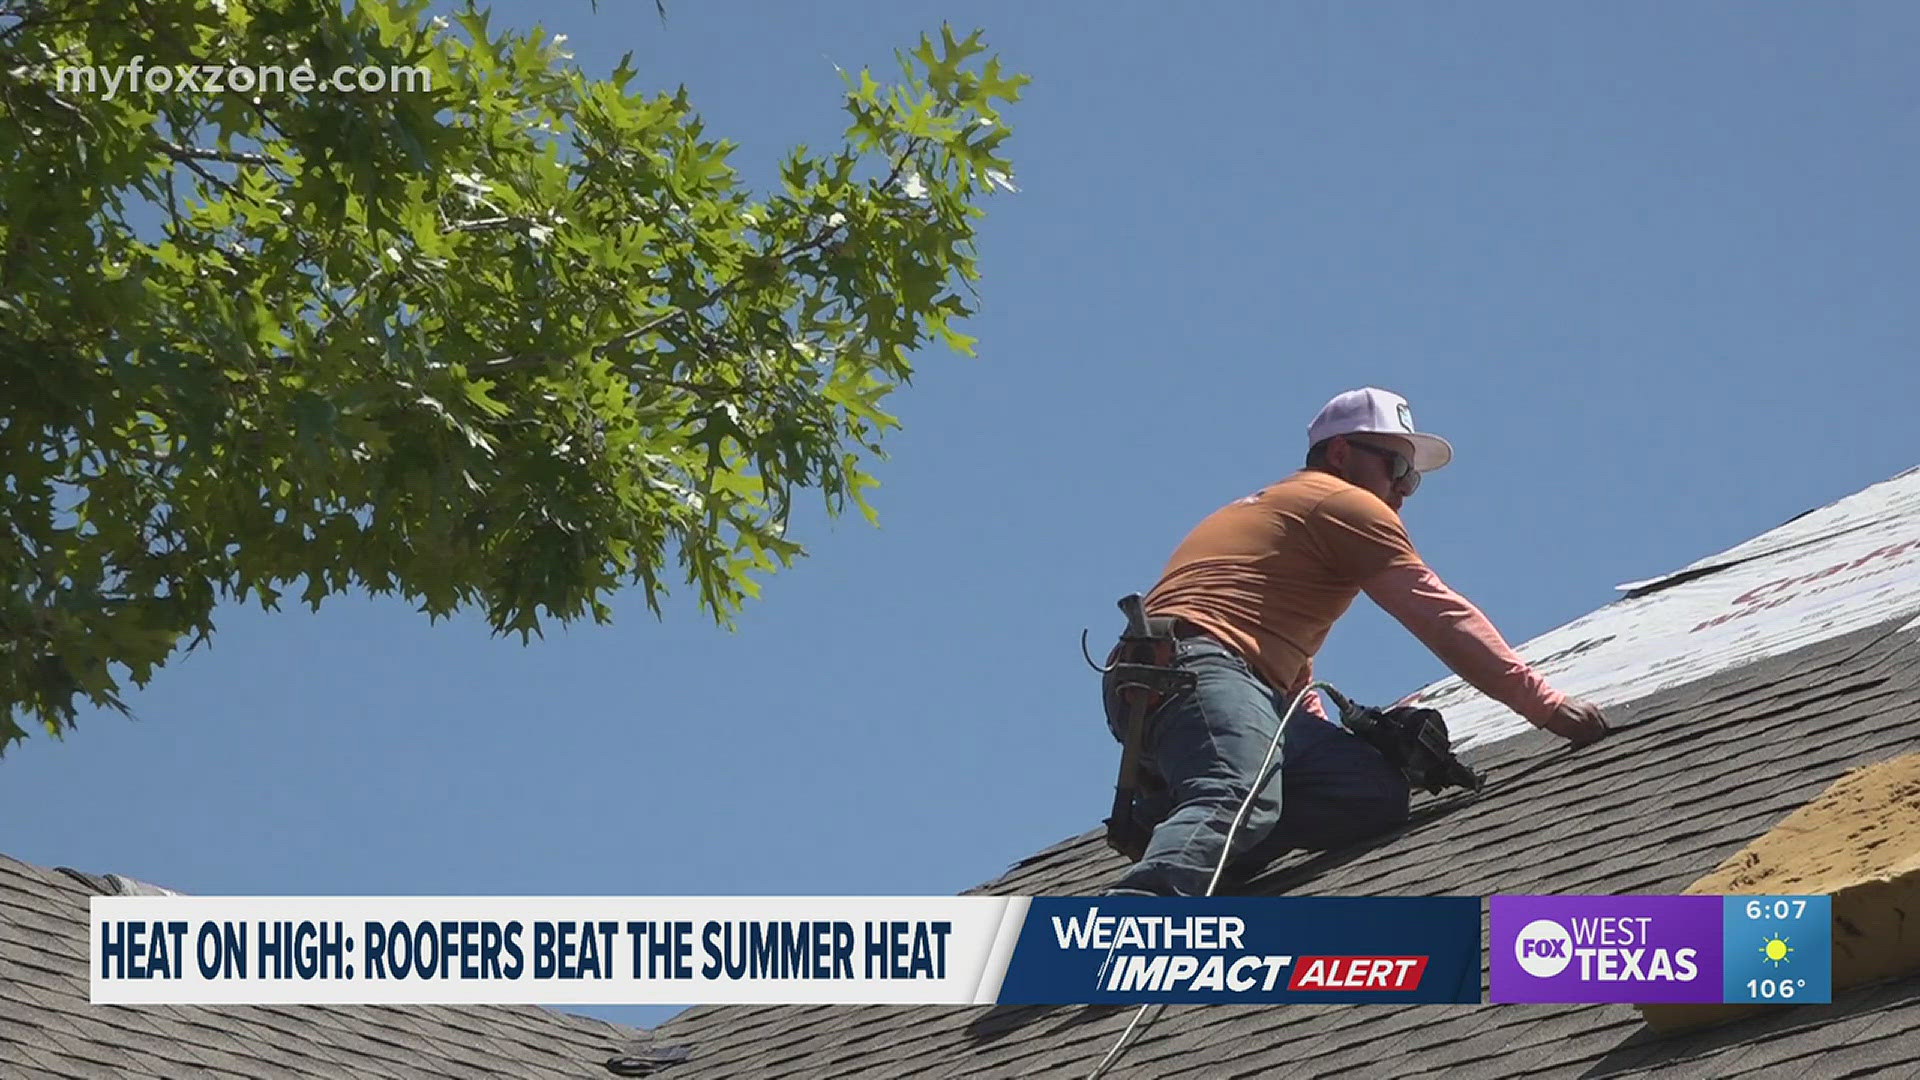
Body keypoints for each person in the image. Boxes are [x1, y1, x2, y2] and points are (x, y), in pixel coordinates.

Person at [1102, 387, 1608, 897]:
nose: (1405, 489)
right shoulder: (1342, 503)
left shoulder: (1279, 514)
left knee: (1367, 791)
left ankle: (1182, 836)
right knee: (1238, 794)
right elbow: (1438, 614)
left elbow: (1288, 667)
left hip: (1168, 679)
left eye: (1411, 477)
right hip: (1202, 671)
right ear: (1341, 453)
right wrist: (1547, 707)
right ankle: (1134, 918)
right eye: (1397, 468)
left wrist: (1321, 739)